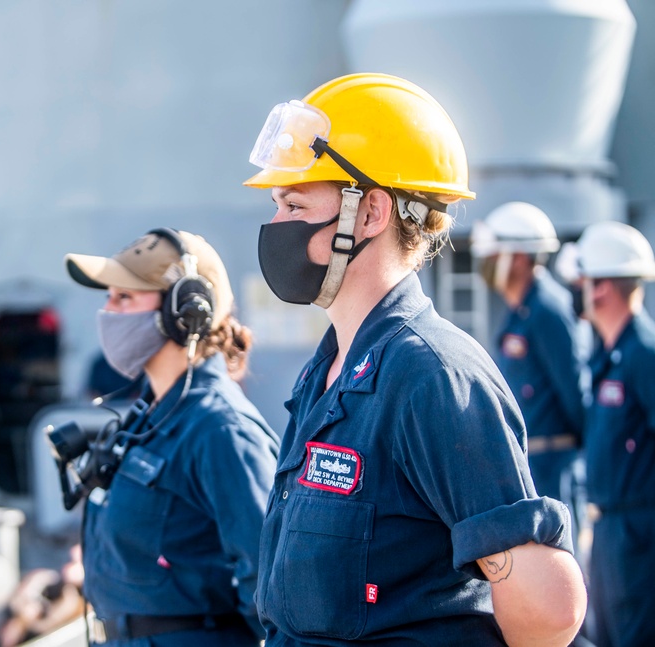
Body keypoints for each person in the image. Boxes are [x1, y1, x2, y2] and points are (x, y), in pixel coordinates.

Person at [243, 72, 586, 646]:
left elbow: (548, 615)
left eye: (294, 203)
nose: (275, 225)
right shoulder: (325, 374)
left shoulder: (432, 377)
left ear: (371, 212)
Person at [63, 228, 279, 646]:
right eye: (109, 297)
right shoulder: (148, 416)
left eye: (124, 297)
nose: (107, 312)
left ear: (186, 311)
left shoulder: (221, 430)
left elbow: (269, 584)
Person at [563, 221, 655, 647]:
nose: (575, 291)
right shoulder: (609, 354)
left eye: (581, 281)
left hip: (638, 536)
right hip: (608, 533)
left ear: (600, 288)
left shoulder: (644, 354)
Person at [470, 202, 588, 527]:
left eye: (493, 256)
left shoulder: (548, 309)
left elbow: (574, 392)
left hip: (551, 467)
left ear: (519, 257)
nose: (486, 264)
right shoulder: (519, 311)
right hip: (528, 464)